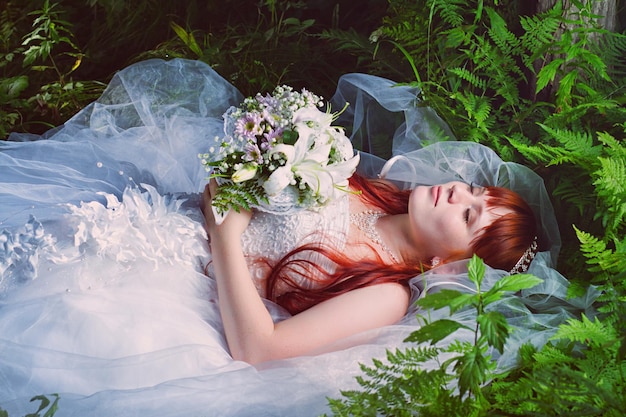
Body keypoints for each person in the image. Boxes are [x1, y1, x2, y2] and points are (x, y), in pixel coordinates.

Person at [0, 58, 578, 416]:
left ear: (455, 264)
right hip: (163, 223)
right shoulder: (362, 182)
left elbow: (260, 350)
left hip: (185, 285)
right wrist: (245, 167)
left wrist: (225, 234)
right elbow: (254, 194)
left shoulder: (389, 292)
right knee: (50, 238)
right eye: (474, 191)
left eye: (473, 217)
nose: (459, 193)